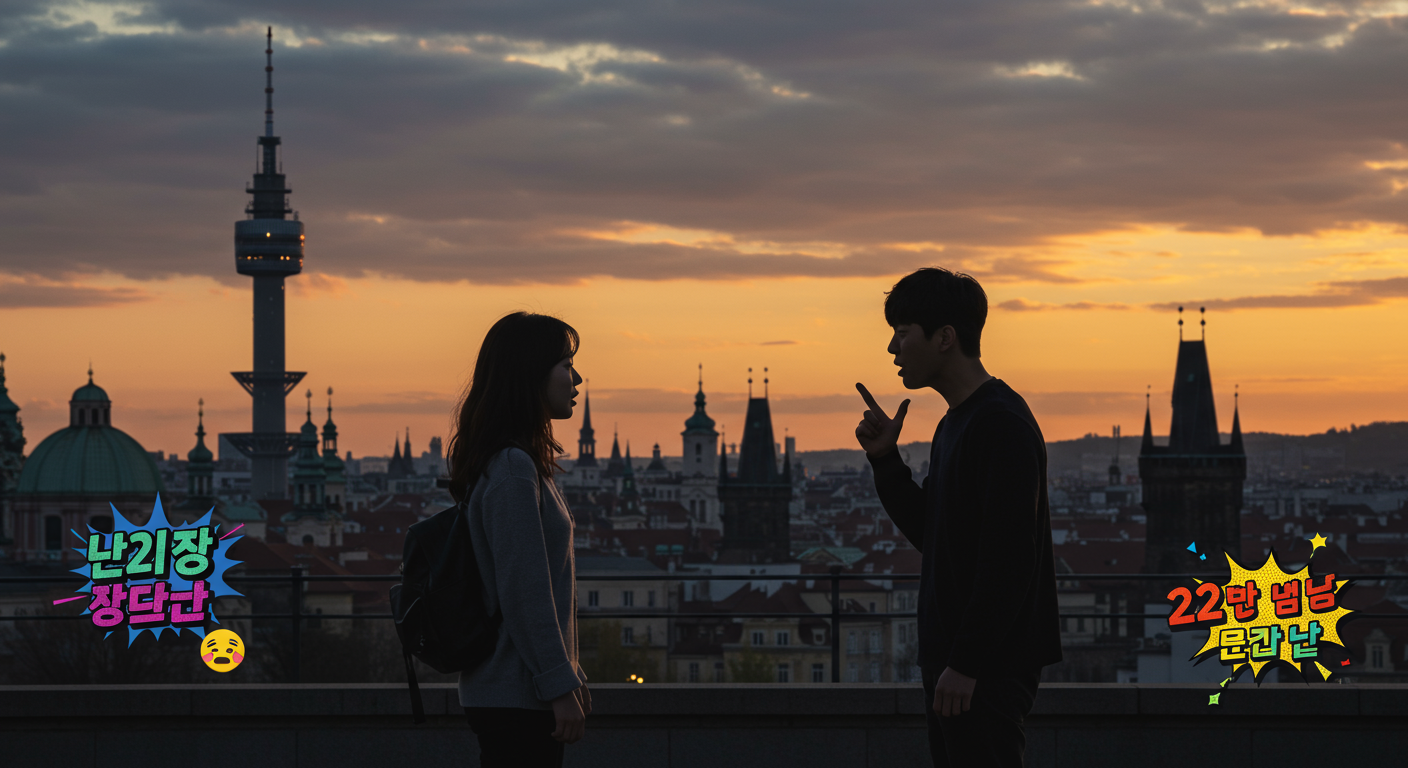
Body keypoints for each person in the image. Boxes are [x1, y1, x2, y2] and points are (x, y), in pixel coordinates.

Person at [854, 268, 1062, 768]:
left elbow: (1009, 560)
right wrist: (886, 461)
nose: (892, 349)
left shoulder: (998, 424)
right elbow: (938, 535)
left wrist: (966, 663)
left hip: (980, 669)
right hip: (960, 664)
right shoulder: (959, 422)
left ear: (945, 337)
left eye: (902, 333)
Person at [448, 311, 590, 768]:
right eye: (566, 365)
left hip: (515, 692)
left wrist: (567, 675)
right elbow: (526, 593)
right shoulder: (513, 468)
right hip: (517, 696)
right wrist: (557, 684)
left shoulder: (514, 462)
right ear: (531, 375)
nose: (577, 378)